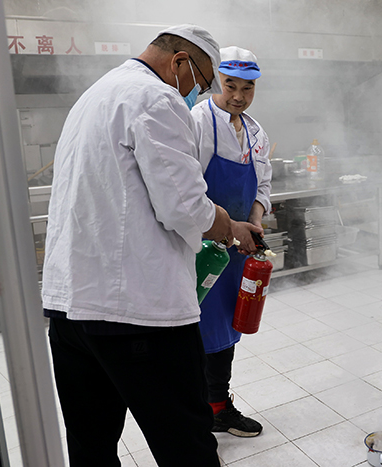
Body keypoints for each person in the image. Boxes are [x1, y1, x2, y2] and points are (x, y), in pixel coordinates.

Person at [41, 25, 255, 467]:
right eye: (203, 82)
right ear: (180, 62)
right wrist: (230, 226)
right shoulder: (157, 98)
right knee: (186, 444)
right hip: (137, 315)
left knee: (91, 445)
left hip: (70, 311)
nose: (198, 94)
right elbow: (185, 207)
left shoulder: (95, 95)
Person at [191, 46, 271, 438]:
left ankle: (218, 407)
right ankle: (198, 414)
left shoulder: (256, 133)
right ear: (217, 82)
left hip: (237, 252)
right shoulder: (199, 121)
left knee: (228, 328)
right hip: (201, 251)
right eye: (230, 85)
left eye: (247, 88)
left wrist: (253, 220)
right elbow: (186, 190)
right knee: (198, 333)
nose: (238, 96)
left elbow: (263, 184)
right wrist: (227, 226)